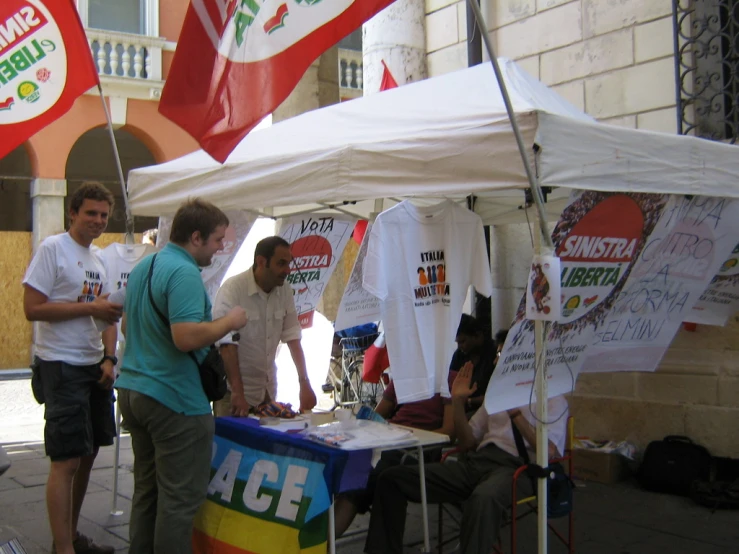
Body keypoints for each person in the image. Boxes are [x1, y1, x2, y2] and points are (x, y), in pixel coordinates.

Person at [115, 199, 247, 554]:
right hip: (174, 398)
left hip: (134, 389)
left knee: (147, 492)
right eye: (218, 239)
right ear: (195, 237)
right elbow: (185, 336)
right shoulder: (185, 272)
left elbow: (127, 324)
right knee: (178, 500)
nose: (221, 248)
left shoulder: (146, 266)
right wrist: (229, 322)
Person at [364, 362, 568, 554]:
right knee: (392, 478)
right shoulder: (497, 395)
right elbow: (467, 442)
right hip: (478, 461)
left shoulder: (553, 399)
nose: (499, 363)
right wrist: (458, 403)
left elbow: (547, 453)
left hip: (517, 469)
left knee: (483, 499)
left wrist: (515, 413)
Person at [22, 182, 122, 554]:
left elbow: (109, 314)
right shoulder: (53, 249)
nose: (97, 221)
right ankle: (63, 549)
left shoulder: (98, 259)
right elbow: (33, 308)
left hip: (93, 366)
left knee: (87, 455)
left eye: (103, 215)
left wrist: (110, 358)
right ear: (73, 213)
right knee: (64, 461)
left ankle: (71, 537)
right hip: (60, 365)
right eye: (91, 213)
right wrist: (89, 309)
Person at [333, 368, 458, 536]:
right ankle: (322, 540)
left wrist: (413, 437)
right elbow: (377, 415)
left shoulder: (448, 378)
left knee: (364, 475)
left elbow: (448, 431)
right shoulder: (405, 370)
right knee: (349, 464)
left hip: (420, 447)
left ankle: (324, 542)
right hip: (392, 439)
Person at [212, 236, 317, 416]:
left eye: (289, 263)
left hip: (267, 390)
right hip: (233, 394)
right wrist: (238, 392)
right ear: (261, 262)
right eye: (281, 263)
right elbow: (226, 345)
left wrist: (304, 383)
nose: (287, 270)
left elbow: (293, 336)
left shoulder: (284, 290)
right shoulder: (233, 289)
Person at [449, 314, 497, 413]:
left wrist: (469, 401)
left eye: (463, 342)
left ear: (478, 335)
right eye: (458, 343)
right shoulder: (459, 355)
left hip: (487, 411)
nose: (460, 346)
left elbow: (497, 395)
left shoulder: (494, 353)